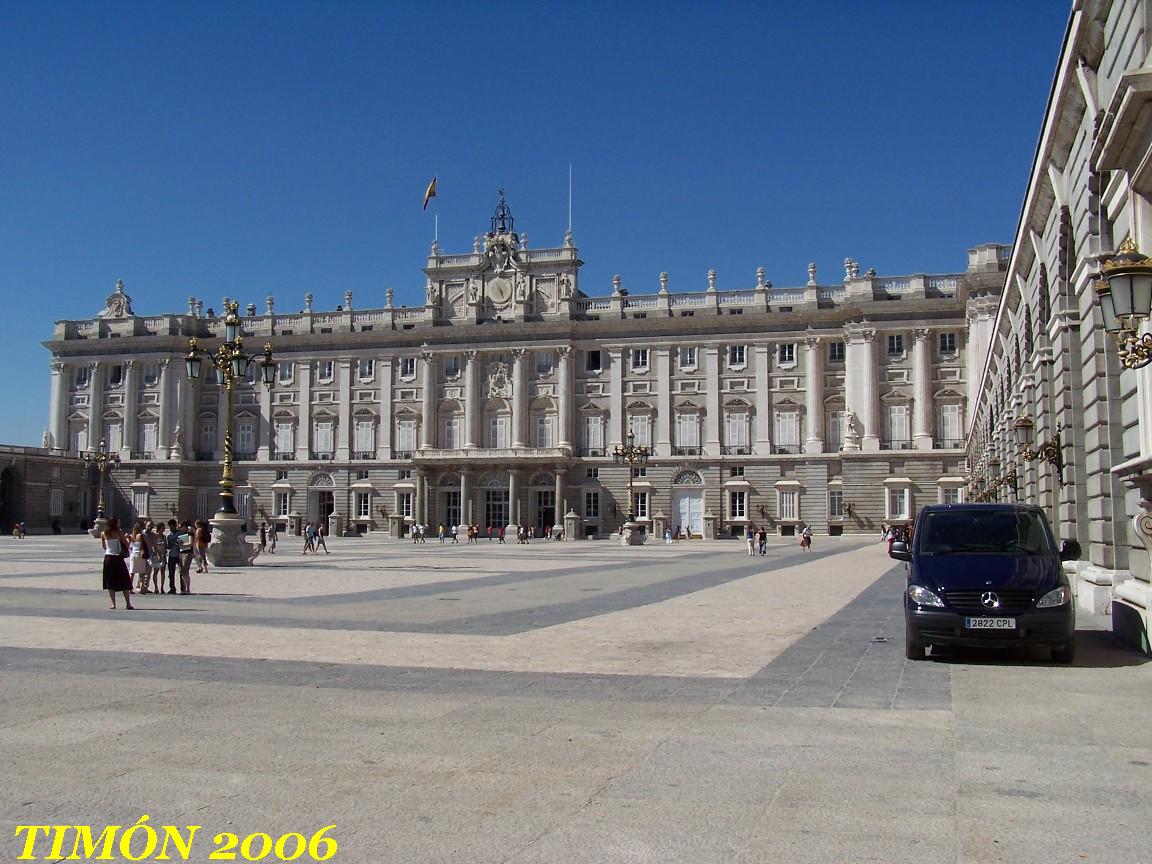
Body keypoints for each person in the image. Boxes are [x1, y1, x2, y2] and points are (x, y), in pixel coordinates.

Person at [101, 516, 134, 610]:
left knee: (110, 582)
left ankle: (113, 604)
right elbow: (127, 545)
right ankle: (128, 603)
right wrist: (126, 539)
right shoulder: (118, 532)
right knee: (124, 581)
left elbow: (104, 547)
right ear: (115, 523)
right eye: (118, 522)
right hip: (117, 558)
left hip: (108, 558)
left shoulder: (103, 533)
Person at [128, 522, 151, 593]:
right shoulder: (141, 535)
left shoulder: (132, 536)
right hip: (140, 555)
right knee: (142, 573)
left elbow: (129, 545)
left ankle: (129, 588)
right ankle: (142, 588)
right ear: (140, 528)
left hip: (133, 555)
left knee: (132, 572)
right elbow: (146, 544)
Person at [164, 520, 181, 594]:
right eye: (169, 526)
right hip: (171, 555)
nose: (170, 528)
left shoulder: (180, 533)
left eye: (171, 526)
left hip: (179, 555)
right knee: (171, 573)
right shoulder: (169, 536)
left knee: (181, 572)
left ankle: (183, 588)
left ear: (175, 525)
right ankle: (172, 588)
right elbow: (169, 547)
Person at [178, 520, 194, 593]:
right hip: (182, 552)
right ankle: (184, 588)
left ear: (184, 527)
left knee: (185, 570)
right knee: (182, 571)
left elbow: (191, 543)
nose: (180, 528)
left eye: (181, 527)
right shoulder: (181, 534)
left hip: (187, 553)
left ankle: (187, 588)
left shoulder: (189, 533)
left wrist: (182, 545)